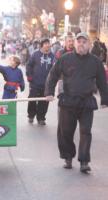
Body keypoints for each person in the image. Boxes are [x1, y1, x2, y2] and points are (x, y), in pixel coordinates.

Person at [45, 32, 108, 173]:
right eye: (78, 42)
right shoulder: (65, 59)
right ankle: (68, 157)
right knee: (65, 132)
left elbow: (102, 82)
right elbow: (53, 75)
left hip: (86, 102)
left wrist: (105, 99)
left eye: (84, 42)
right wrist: (49, 92)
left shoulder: (96, 62)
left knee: (86, 132)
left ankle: (84, 161)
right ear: (74, 43)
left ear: (89, 45)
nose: (81, 44)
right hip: (68, 101)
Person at [26, 38, 54, 125]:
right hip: (35, 82)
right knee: (32, 99)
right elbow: (29, 65)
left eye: (48, 44)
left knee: (44, 101)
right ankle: (31, 115)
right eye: (45, 44)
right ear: (42, 45)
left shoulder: (52, 56)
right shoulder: (35, 54)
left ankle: (41, 118)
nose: (47, 45)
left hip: (47, 84)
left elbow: (55, 69)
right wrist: (29, 76)